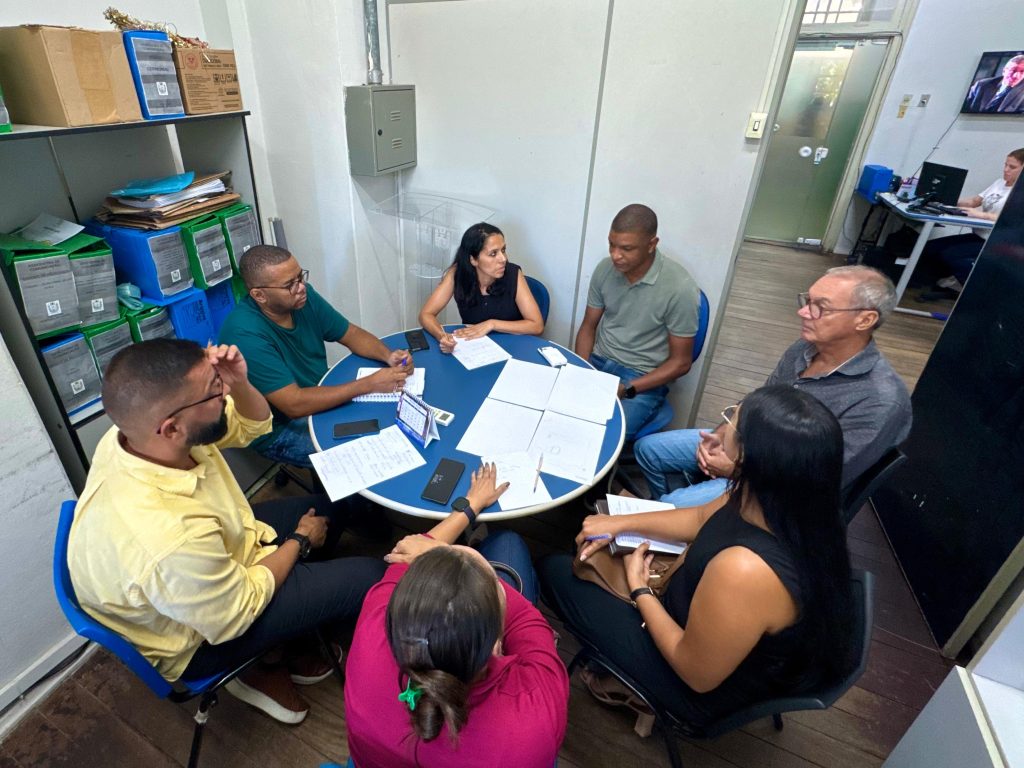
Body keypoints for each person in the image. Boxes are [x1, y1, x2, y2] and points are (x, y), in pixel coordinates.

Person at [67, 339, 387, 724]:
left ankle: (286, 639)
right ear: (171, 428)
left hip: (225, 551)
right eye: (213, 390)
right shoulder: (168, 538)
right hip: (204, 635)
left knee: (333, 505)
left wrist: (238, 382)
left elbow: (253, 425)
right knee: (374, 575)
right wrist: (299, 541)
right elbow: (235, 612)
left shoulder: (136, 438)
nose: (223, 395)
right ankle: (259, 667)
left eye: (216, 381)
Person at [539, 385, 856, 728]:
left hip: (696, 683)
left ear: (750, 454)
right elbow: (701, 518)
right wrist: (619, 523)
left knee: (555, 571)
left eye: (731, 420)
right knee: (583, 557)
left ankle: (630, 688)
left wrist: (639, 589)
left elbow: (695, 674)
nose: (721, 428)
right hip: (696, 614)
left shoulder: (745, 569)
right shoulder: (783, 500)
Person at [344, 464, 568, 767]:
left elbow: (407, 550)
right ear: (497, 644)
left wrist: (469, 508)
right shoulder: (533, 710)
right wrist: (468, 565)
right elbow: (528, 620)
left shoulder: (373, 630)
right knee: (508, 544)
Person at [636, 265, 910, 508]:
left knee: (672, 505)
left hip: (782, 492)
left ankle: (691, 520)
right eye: (807, 300)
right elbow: (758, 399)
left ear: (865, 320)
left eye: (821, 307)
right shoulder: (805, 347)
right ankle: (685, 529)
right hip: (749, 445)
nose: (803, 312)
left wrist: (736, 469)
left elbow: (818, 480)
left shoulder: (880, 400)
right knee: (649, 450)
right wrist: (722, 434)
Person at [218, 244, 412, 468]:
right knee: (368, 458)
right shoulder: (244, 334)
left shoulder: (303, 298)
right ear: (259, 295)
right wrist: (369, 384)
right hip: (279, 427)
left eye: (300, 277)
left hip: (318, 390)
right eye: (289, 285)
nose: (301, 287)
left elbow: (350, 333)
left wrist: (389, 356)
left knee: (391, 425)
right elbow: (294, 405)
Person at [575, 204, 701, 440]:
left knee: (602, 437)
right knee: (559, 415)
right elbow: (588, 327)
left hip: (641, 377)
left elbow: (681, 363)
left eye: (627, 248)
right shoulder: (604, 270)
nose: (615, 255)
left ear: (652, 244)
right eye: (611, 244)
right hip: (599, 361)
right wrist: (583, 369)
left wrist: (628, 388)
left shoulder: (680, 288)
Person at [419, 222, 544, 353]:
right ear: (473, 259)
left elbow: (537, 326)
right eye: (493, 254)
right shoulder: (457, 274)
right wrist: (442, 336)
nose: (503, 259)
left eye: (503, 250)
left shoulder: (514, 274)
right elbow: (426, 314)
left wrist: (492, 324)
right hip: (474, 349)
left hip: (513, 347)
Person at [919, 148, 1024, 298]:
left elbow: (1014, 219)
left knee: (950, 254)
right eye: (1005, 165)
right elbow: (974, 201)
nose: (1006, 170)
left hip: (997, 242)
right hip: (979, 236)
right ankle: (949, 282)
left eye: (1012, 167)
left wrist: (982, 215)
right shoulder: (999, 183)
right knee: (932, 247)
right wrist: (946, 200)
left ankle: (977, 293)